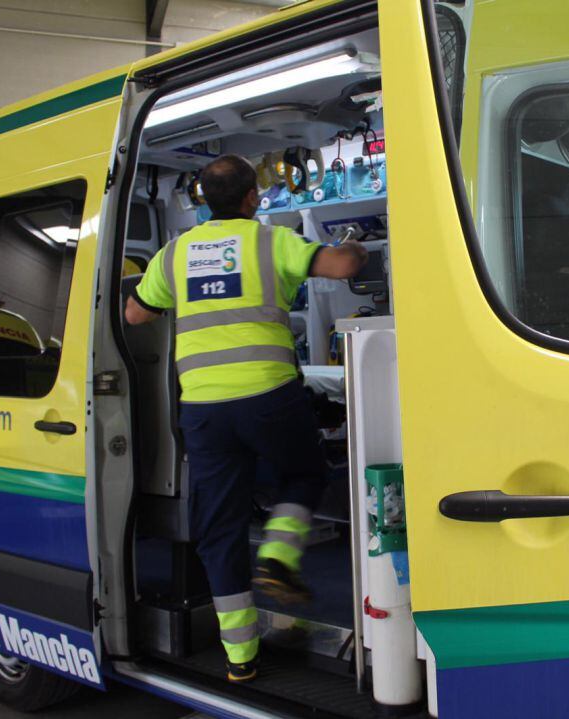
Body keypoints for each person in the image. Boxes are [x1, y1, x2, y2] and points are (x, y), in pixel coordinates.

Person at [124, 154, 367, 683]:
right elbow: (342, 268)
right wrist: (354, 245)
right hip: (269, 395)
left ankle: (240, 658)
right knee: (303, 474)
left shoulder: (175, 252)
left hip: (205, 409)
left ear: (202, 200)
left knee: (219, 527)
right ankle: (279, 552)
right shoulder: (268, 240)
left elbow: (135, 313)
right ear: (253, 199)